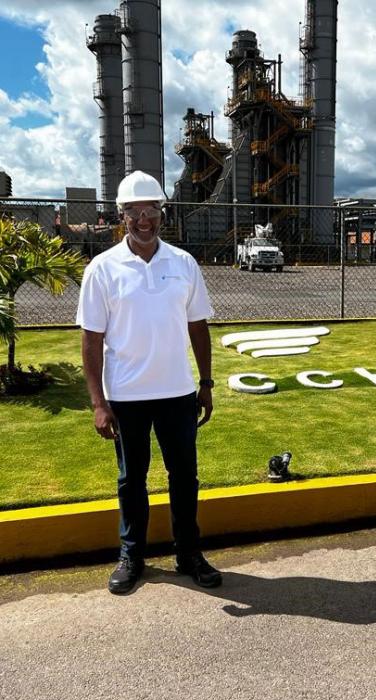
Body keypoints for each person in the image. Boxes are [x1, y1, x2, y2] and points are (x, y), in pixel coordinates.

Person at [76, 170, 222, 595]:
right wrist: (99, 403)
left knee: (184, 477)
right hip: (126, 397)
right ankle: (132, 555)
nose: (145, 218)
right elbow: (91, 340)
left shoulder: (183, 264)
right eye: (135, 211)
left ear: (163, 212)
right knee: (131, 480)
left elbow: (198, 327)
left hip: (177, 393)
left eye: (152, 209)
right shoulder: (102, 270)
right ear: (121, 215)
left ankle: (188, 554)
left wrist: (206, 383)